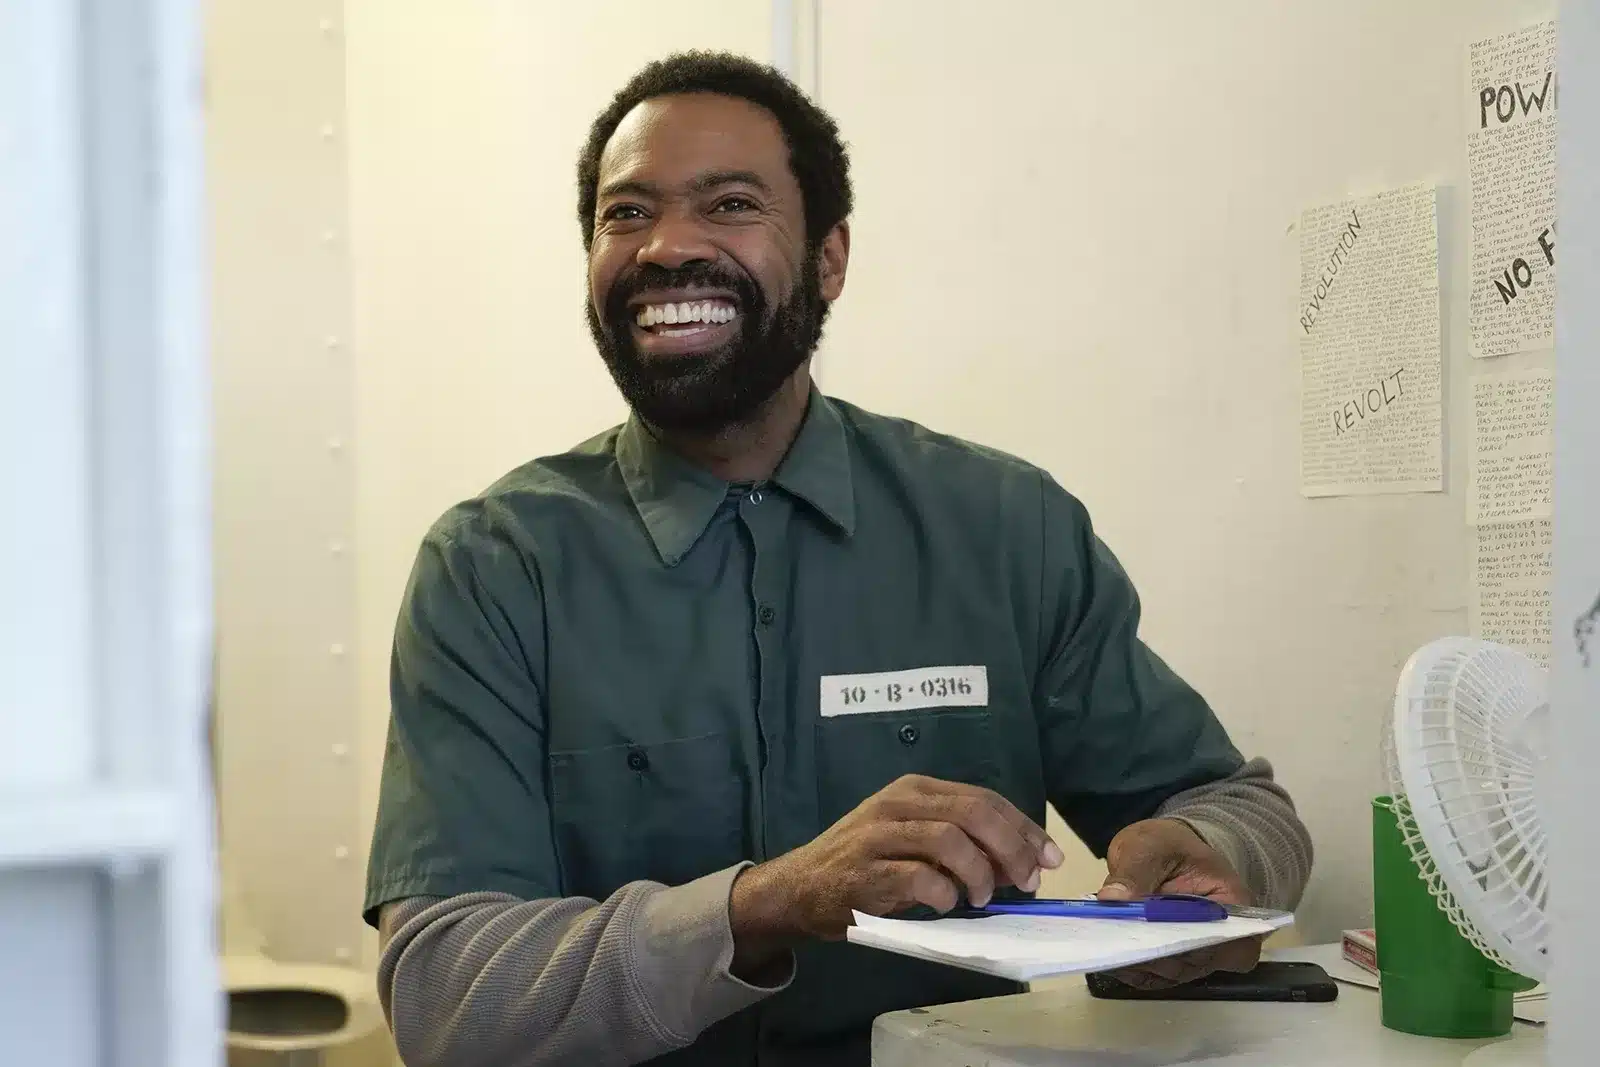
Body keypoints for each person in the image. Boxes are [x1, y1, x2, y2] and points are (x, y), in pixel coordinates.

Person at [363, 51, 1313, 1067]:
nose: (667, 246)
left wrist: (1202, 863)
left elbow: (1247, 813)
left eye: (730, 205)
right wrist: (769, 902)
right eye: (626, 213)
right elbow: (444, 994)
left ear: (828, 258)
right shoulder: (494, 567)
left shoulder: (1005, 528)